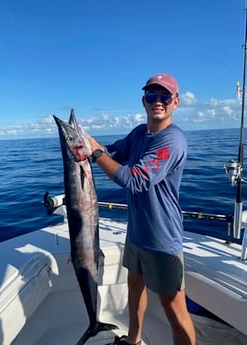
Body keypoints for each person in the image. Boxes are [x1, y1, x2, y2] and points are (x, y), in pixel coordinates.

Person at [88, 73, 196, 345]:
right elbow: (112, 151)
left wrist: (97, 155)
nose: (157, 101)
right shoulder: (139, 133)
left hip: (162, 239)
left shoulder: (173, 140)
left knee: (175, 310)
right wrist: (86, 145)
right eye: (152, 96)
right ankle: (132, 340)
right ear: (143, 101)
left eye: (164, 96)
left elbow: (135, 180)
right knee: (135, 289)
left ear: (176, 102)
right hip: (136, 233)